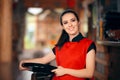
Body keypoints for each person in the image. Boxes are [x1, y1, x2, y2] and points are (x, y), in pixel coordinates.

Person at [19, 9, 96, 80]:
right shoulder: (60, 46)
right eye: (65, 22)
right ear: (63, 26)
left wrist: (65, 71)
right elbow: (43, 60)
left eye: (72, 20)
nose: (70, 25)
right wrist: (26, 62)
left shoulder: (88, 44)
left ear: (78, 22)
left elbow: (89, 73)